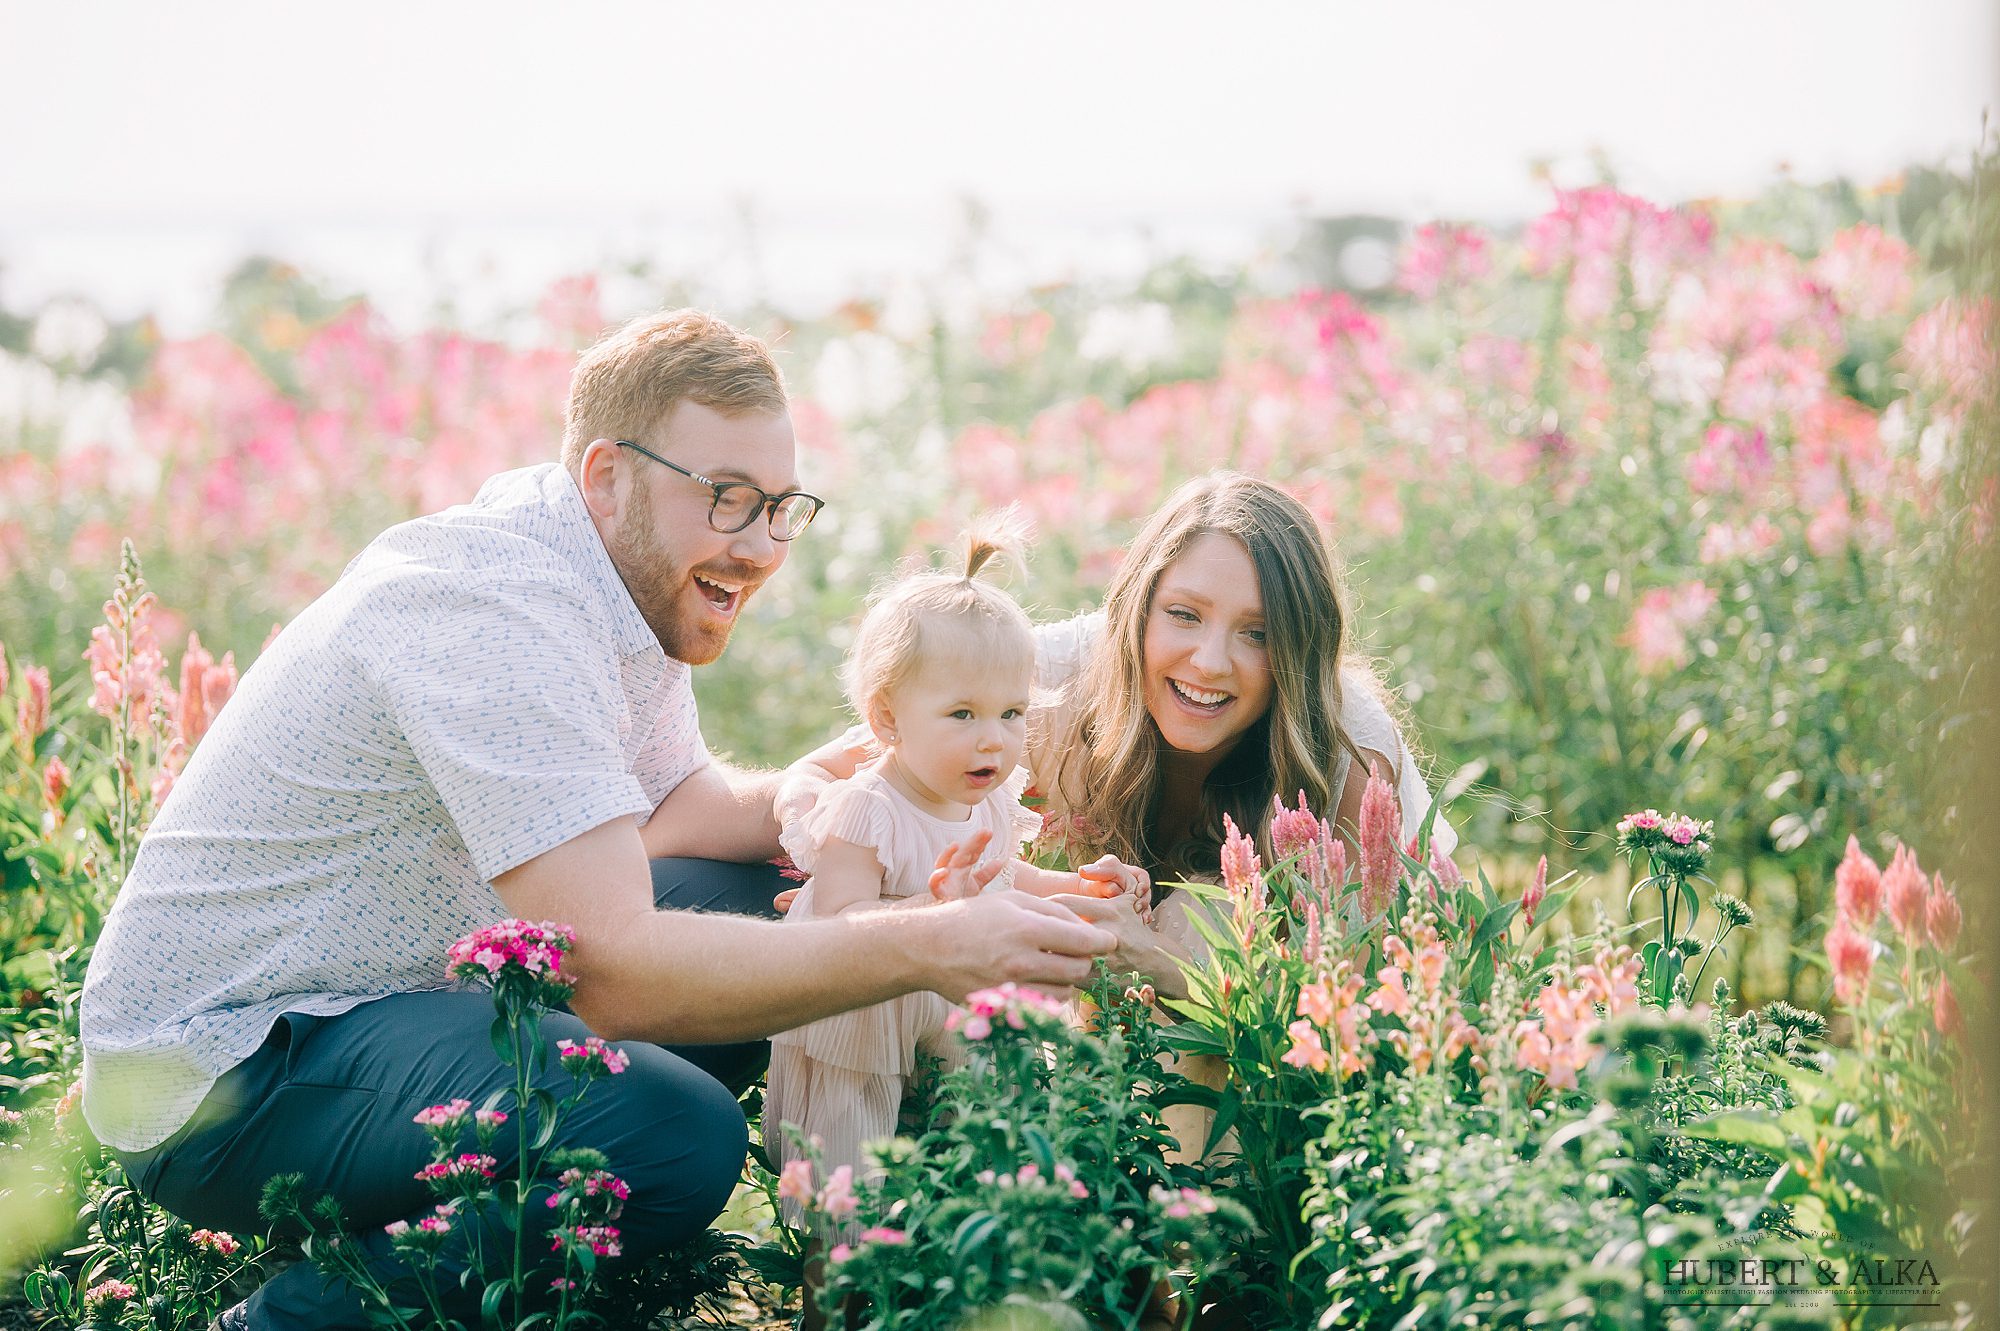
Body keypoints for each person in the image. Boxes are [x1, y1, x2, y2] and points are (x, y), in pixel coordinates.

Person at [76, 309, 1115, 1331]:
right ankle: (289, 1317)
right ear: (608, 474)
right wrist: (928, 942)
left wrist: (837, 790)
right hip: (229, 1065)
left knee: (763, 896)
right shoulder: (497, 610)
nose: (758, 546)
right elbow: (605, 965)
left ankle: (474, 1225)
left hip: (398, 998)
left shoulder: (613, 573)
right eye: (728, 499)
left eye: (779, 505)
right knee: (674, 1134)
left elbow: (671, 809)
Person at [764, 522, 1148, 1237]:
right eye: (963, 713)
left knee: (976, 1143)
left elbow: (1012, 877)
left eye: (1011, 713)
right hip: (861, 1016)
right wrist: (929, 907)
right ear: (887, 718)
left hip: (946, 1005)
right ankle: (833, 1296)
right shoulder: (866, 809)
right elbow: (835, 923)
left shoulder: (990, 797)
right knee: (847, 1190)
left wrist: (1088, 891)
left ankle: (966, 1261)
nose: (993, 738)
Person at [1020, 470, 1457, 996]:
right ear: (1138, 608)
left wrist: (1157, 962)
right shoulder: (1052, 677)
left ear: (1298, 650)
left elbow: (1351, 1003)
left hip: (1249, 1055)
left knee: (1207, 918)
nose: (1208, 663)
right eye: (1184, 615)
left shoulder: (1353, 758)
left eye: (1257, 634)